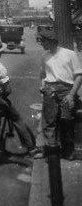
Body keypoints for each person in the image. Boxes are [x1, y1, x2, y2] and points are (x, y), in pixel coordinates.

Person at [0, 39, 39, 157]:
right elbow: (8, 90)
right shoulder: (0, 68)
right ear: (0, 52)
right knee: (16, 118)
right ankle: (31, 148)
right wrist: (3, 94)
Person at [38, 29, 82, 160]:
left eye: (43, 41)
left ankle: (68, 151)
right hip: (50, 90)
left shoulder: (70, 54)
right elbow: (42, 75)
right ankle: (51, 151)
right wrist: (43, 87)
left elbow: (79, 75)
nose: (41, 43)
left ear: (51, 41)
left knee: (66, 120)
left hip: (66, 90)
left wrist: (72, 94)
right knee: (49, 122)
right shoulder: (44, 56)